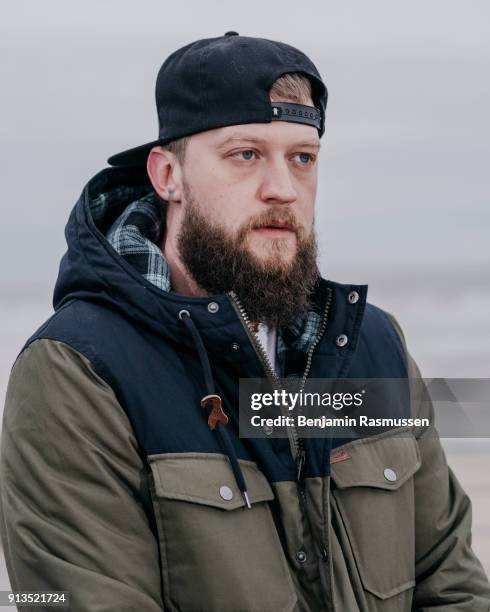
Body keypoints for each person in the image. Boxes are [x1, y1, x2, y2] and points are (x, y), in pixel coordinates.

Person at [1, 32, 489, 612]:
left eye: (302, 158)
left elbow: (449, 582)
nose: (282, 188)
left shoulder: (371, 347)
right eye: (245, 154)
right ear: (167, 176)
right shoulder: (80, 373)